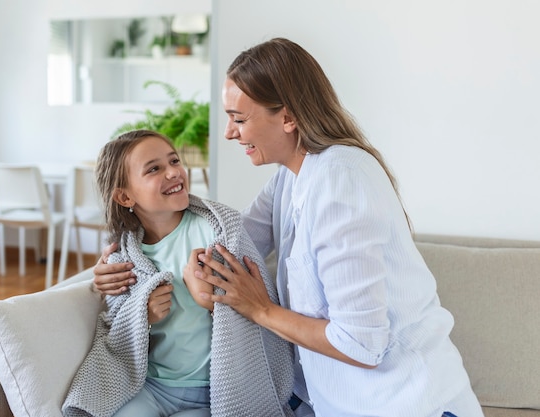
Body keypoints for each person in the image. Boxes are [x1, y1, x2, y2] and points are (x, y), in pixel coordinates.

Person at [92, 39, 484, 417]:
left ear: (288, 117)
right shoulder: (291, 179)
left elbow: (362, 343)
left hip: (406, 404)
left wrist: (260, 309)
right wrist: (121, 267)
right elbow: (232, 241)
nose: (230, 133)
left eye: (239, 119)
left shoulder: (340, 183)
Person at [62, 130, 294, 417]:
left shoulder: (215, 230)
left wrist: (209, 300)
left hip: (211, 392)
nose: (173, 172)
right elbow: (115, 324)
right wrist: (142, 315)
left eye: (174, 161)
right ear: (124, 196)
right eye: (154, 169)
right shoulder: (124, 256)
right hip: (152, 387)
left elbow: (252, 305)